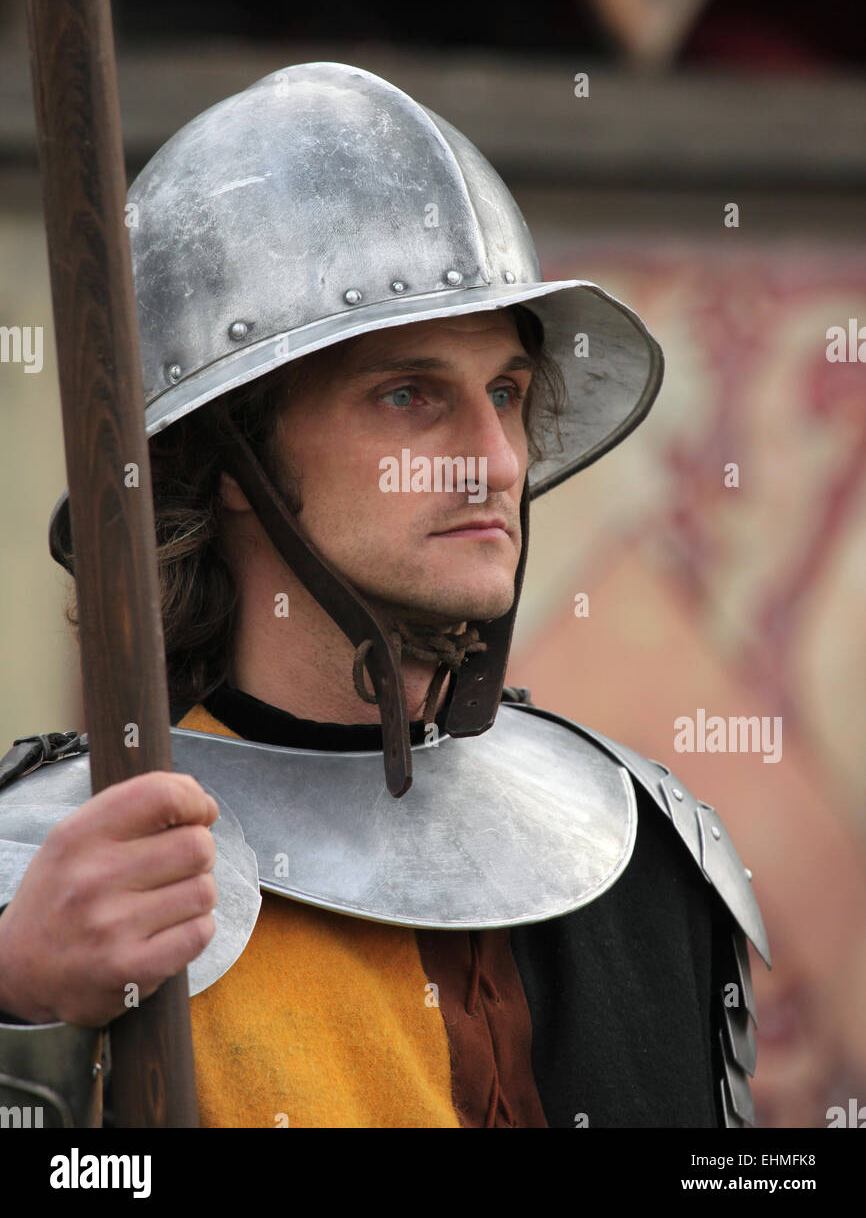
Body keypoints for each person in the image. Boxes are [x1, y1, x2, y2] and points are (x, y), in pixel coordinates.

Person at [0, 62, 769, 1128]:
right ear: (230, 462)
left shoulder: (645, 854)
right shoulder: (51, 883)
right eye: (411, 395)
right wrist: (27, 1022)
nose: (494, 458)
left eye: (503, 391)